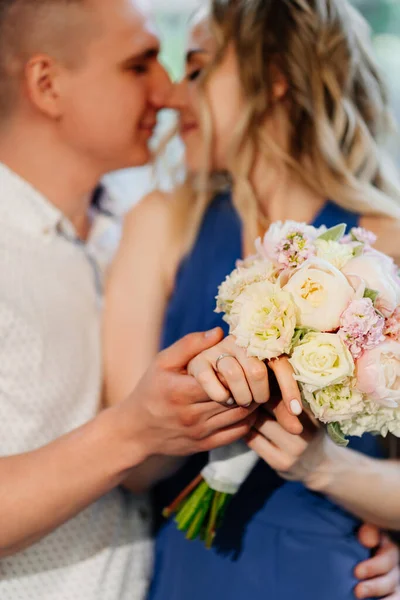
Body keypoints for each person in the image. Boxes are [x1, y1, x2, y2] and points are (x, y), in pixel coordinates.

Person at [104, 2, 400, 599]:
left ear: (273, 77)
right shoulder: (162, 225)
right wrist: (204, 398)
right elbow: (132, 469)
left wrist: (324, 466)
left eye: (197, 70)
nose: (173, 98)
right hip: (191, 570)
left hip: (330, 572)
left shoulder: (387, 245)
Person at [0, 1, 258, 598]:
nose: (169, 93)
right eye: (139, 65)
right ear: (47, 84)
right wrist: (132, 431)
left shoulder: (143, 231)